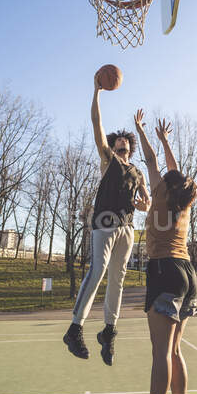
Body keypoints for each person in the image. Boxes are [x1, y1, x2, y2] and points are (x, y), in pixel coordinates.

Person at [121, 109, 197, 394]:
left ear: (168, 182)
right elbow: (173, 169)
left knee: (161, 353)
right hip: (186, 273)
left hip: (164, 271)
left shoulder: (162, 191)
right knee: (176, 351)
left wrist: (144, 133)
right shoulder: (183, 201)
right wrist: (167, 141)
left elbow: (153, 161)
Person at [63, 76, 150, 366]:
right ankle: (75, 328)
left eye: (125, 143)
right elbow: (96, 125)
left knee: (118, 279)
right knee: (98, 270)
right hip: (104, 223)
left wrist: (144, 202)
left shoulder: (137, 171)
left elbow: (147, 200)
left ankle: (109, 332)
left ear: (130, 148)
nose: (122, 144)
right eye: (118, 142)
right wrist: (96, 93)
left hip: (127, 228)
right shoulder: (108, 160)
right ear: (113, 146)